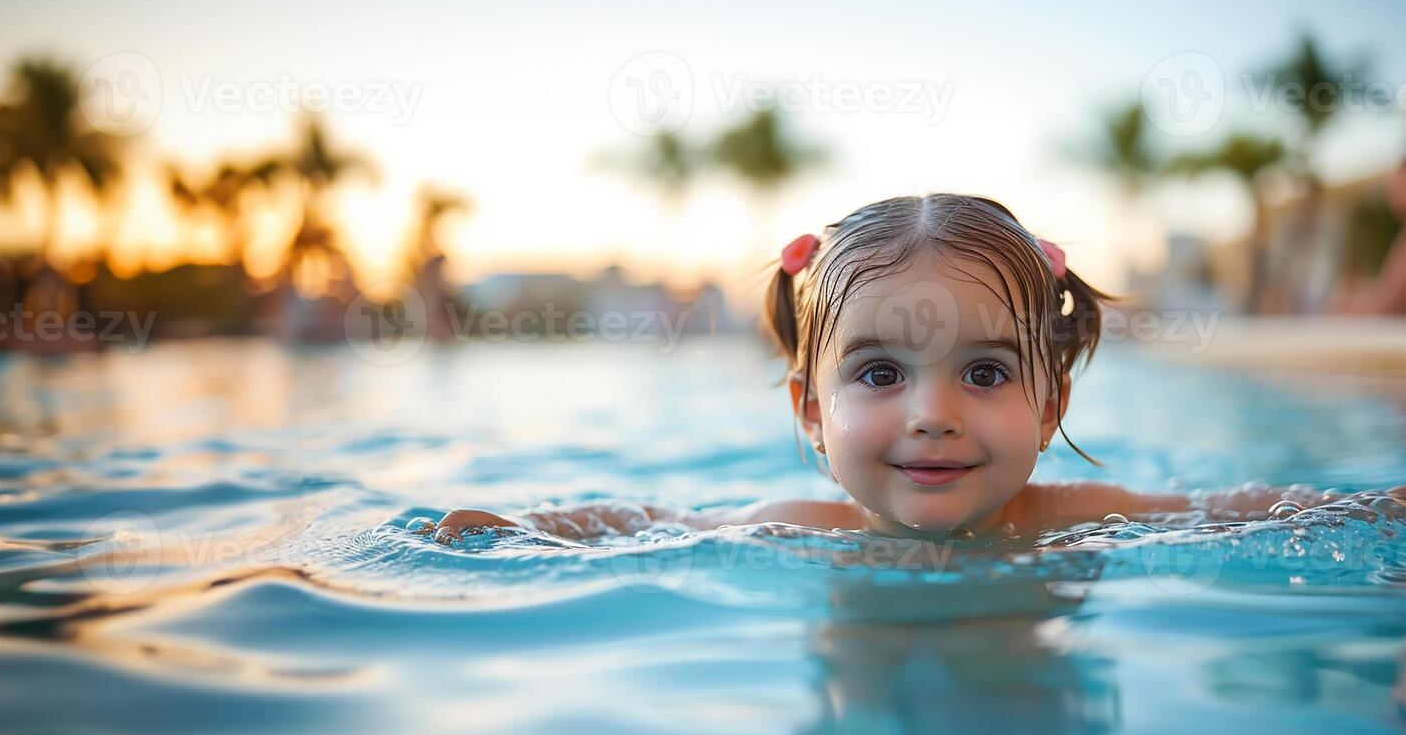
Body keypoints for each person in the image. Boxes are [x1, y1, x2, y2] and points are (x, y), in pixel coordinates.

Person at [431, 193, 1403, 544]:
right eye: (879, 373)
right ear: (807, 411)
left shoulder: (1079, 514)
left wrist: (1378, 506)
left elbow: (1234, 509)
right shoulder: (791, 524)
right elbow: (643, 519)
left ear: (1050, 398)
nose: (931, 412)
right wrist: (521, 527)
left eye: (983, 373)